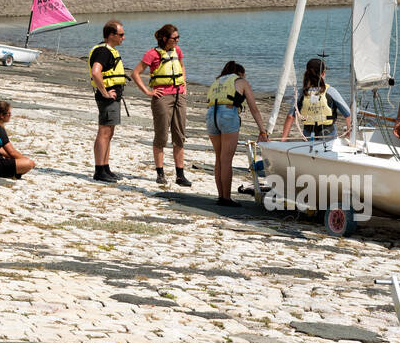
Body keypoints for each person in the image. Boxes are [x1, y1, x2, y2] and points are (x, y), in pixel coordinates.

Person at [130, 23, 191, 186]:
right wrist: (148, 92)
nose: (177, 40)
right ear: (164, 38)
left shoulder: (177, 51)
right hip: (162, 98)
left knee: (179, 136)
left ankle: (180, 175)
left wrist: (183, 84)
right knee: (161, 136)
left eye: (178, 37)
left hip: (179, 97)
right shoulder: (152, 54)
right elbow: (135, 73)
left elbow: (182, 67)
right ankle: (160, 173)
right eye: (174, 38)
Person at [204, 61, 267, 205]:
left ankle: (221, 196)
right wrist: (263, 131)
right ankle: (226, 198)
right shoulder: (240, 81)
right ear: (240, 73)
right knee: (226, 159)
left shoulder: (217, 81)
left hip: (210, 115)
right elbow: (253, 108)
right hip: (227, 114)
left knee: (219, 158)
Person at [88, 19, 127, 183]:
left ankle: (105, 168)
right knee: (104, 132)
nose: (123, 38)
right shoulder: (104, 51)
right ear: (111, 35)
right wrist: (104, 93)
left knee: (109, 132)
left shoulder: (108, 50)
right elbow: (96, 72)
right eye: (121, 35)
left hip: (113, 97)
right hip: (107, 98)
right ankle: (99, 170)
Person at [280, 58, 352, 140]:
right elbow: (348, 114)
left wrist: (283, 139)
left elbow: (290, 117)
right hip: (329, 135)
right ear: (323, 73)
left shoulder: (301, 93)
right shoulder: (330, 91)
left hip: (308, 135)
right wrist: (349, 133)